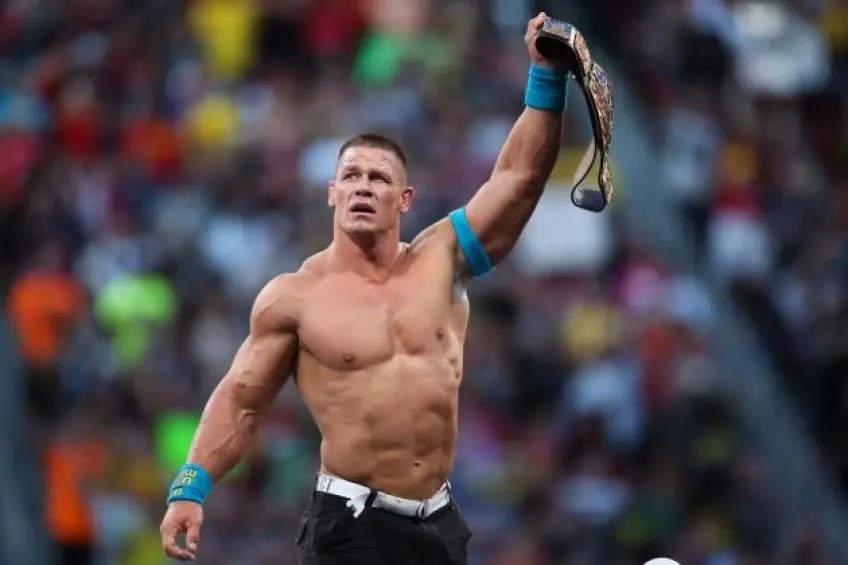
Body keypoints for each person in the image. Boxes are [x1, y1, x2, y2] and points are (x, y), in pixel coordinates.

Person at [160, 13, 571, 564]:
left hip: (437, 522)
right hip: (351, 523)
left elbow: (519, 178)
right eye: (351, 176)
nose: (362, 187)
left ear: (404, 199)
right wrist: (189, 488)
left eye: (378, 178)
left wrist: (546, 77)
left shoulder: (441, 259)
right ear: (332, 193)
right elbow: (241, 400)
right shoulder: (295, 297)